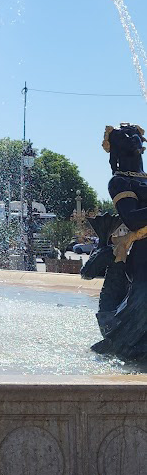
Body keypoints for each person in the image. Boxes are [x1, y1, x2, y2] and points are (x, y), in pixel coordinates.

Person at [91, 123, 147, 358]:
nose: (131, 137)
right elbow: (132, 220)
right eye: (124, 136)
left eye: (134, 134)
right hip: (142, 252)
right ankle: (126, 341)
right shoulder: (120, 182)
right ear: (114, 146)